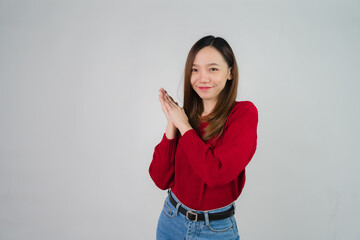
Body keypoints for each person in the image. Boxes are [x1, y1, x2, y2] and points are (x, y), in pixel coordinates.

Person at [149, 35, 258, 240]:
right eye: (195, 69)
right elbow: (160, 178)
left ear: (230, 73)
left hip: (214, 230)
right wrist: (172, 123)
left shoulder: (243, 114)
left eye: (213, 69)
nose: (202, 78)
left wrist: (183, 125)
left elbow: (215, 174)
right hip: (170, 220)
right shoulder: (185, 117)